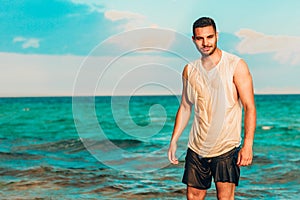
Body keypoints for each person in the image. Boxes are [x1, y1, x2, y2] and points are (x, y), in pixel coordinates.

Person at [168, 17, 256, 200]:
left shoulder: (235, 65)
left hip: (226, 147)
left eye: (209, 37)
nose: (205, 43)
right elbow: (185, 106)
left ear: (217, 36)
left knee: (224, 198)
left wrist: (248, 145)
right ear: (193, 39)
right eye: (200, 39)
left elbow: (249, 107)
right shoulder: (189, 70)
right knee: (193, 196)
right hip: (197, 146)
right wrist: (174, 140)